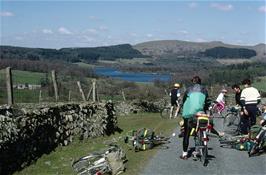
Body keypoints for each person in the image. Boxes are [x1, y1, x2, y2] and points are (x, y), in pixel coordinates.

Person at [180, 76, 209, 160]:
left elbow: (184, 100)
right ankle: (200, 144)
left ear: (193, 82)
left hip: (188, 114)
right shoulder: (204, 89)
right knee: (200, 128)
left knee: (186, 134)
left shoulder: (189, 89)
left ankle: (184, 154)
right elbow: (207, 101)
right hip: (200, 113)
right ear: (200, 82)